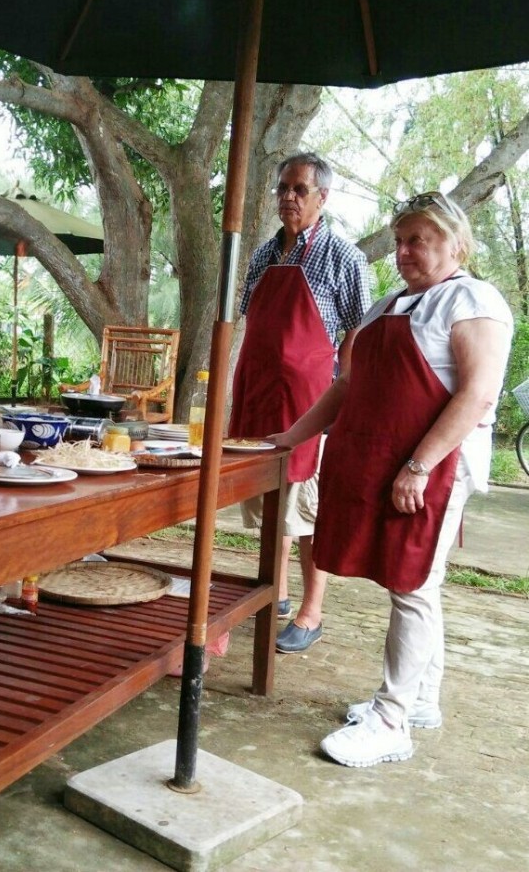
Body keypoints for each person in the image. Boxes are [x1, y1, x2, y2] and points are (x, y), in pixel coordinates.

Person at [271, 191, 512, 767]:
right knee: (415, 586)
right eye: (399, 240)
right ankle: (422, 697)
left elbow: (476, 394)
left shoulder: (473, 301)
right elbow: (346, 387)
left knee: (411, 585)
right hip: (379, 465)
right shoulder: (388, 304)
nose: (403, 252)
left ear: (454, 243)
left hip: (429, 470)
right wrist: (291, 437)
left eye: (417, 241)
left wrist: (419, 466)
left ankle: (391, 718)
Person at [229, 151, 372, 653]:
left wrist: (347, 396)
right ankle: (278, 594)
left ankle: (312, 611)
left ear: (323, 197)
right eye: (283, 188)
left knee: (306, 509)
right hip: (258, 392)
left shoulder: (345, 257)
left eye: (300, 189)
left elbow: (357, 334)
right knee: (268, 501)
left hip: (309, 403)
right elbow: (252, 320)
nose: (288, 197)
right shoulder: (263, 254)